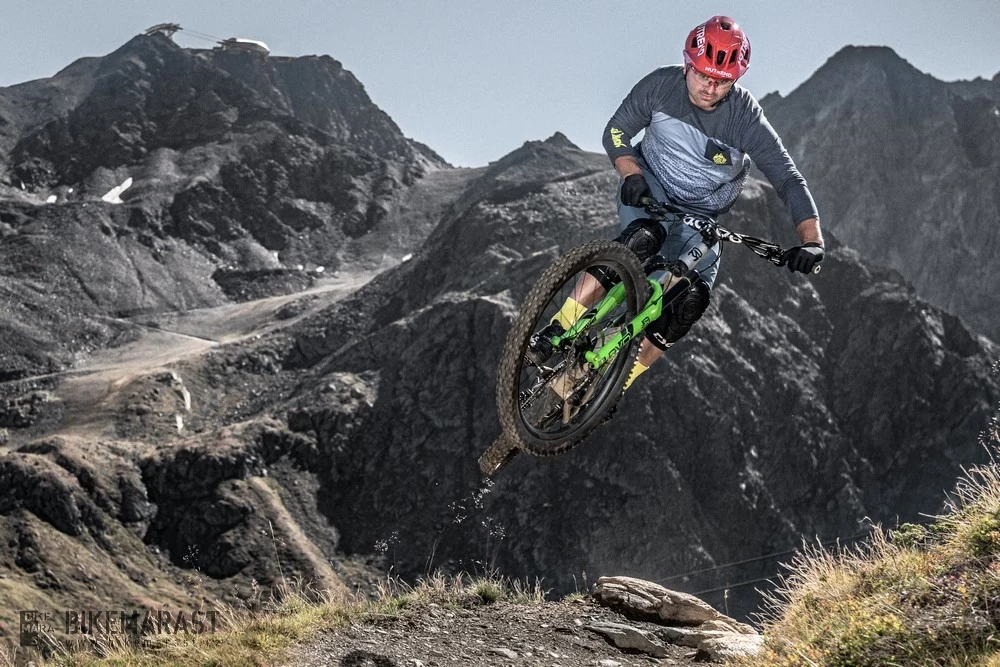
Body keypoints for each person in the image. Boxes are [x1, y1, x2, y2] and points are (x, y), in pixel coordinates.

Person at [527, 15, 824, 391]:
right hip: (650, 186)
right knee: (643, 238)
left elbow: (788, 180)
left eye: (722, 81)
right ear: (688, 64)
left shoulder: (746, 119)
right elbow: (616, 130)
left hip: (701, 216)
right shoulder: (660, 86)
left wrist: (812, 241)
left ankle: (612, 389)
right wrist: (631, 173)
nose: (710, 88)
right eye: (703, 75)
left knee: (689, 301)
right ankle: (559, 329)